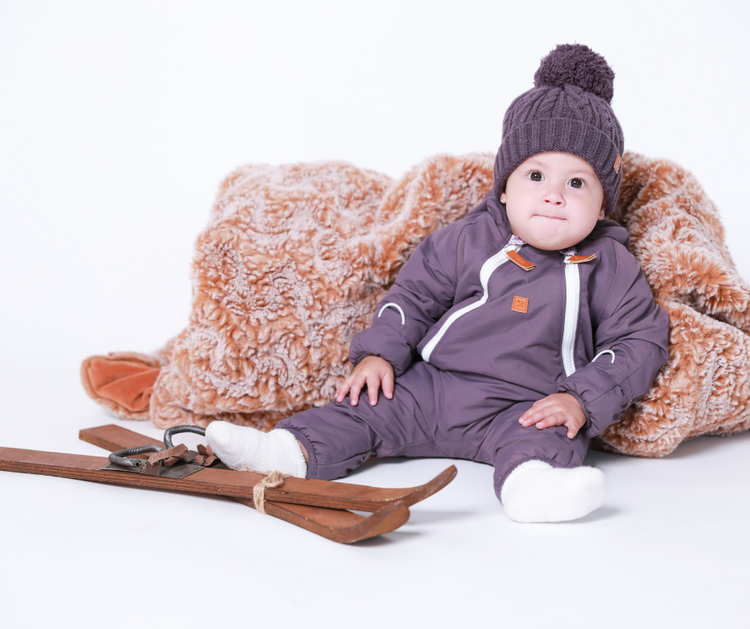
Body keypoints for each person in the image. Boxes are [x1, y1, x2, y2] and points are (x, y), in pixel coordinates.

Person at [205, 43, 670, 523]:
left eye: (578, 183)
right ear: (505, 187)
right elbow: (413, 296)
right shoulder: (471, 237)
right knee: (364, 407)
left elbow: (639, 341)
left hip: (527, 405)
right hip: (432, 388)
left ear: (602, 203)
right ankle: (283, 453)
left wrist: (580, 399)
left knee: (550, 436)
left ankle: (533, 486)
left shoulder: (609, 264)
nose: (554, 195)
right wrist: (380, 354)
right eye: (536, 175)